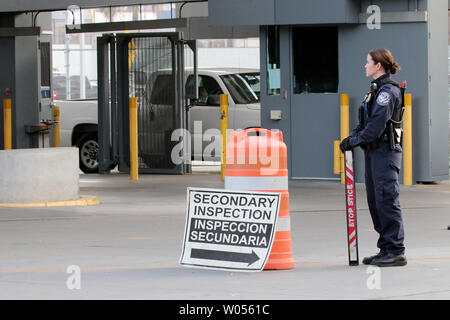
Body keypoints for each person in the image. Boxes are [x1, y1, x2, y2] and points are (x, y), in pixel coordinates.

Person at [340, 48, 407, 267]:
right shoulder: (375, 90)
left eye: (368, 62)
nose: (365, 65)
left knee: (386, 199)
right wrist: (354, 137)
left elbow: (377, 126)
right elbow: (366, 122)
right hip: (374, 152)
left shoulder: (388, 91)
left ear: (379, 65)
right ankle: (385, 248)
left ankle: (396, 250)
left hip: (385, 152)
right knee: (375, 201)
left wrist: (355, 141)